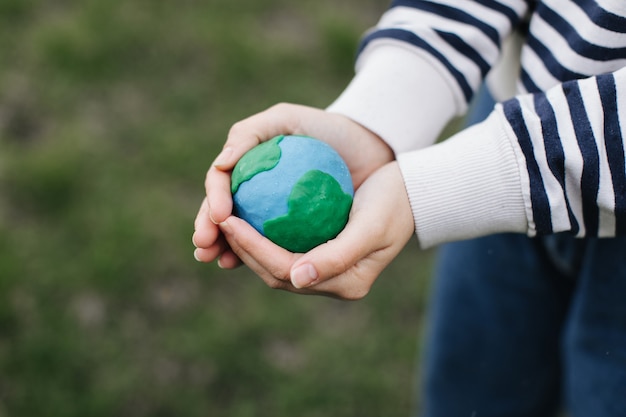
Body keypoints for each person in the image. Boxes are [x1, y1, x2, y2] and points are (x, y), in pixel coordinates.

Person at [193, 0, 626, 416]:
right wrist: (376, 120)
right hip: (510, 118)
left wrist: (431, 188)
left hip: (534, 184)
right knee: (469, 393)